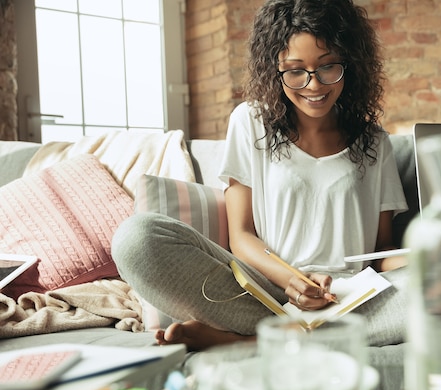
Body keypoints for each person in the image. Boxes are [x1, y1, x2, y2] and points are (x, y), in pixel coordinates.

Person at [111, 0, 409, 351]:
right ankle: (302, 335)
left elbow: (381, 250)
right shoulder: (250, 122)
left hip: (350, 299)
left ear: (351, 65)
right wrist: (292, 282)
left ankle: (255, 340)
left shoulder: (374, 142)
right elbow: (241, 235)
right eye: (296, 71)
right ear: (274, 69)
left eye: (328, 67)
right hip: (267, 289)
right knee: (136, 240)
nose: (314, 85)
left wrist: (426, 258)